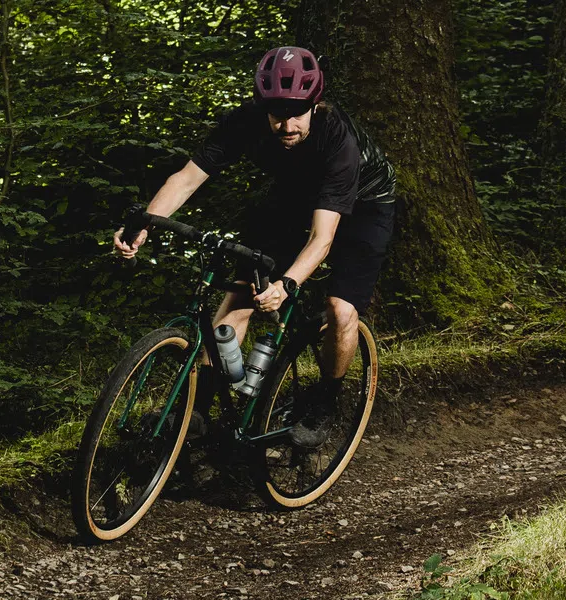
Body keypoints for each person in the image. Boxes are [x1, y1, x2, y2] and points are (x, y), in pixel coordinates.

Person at [113, 46, 396, 448]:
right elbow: (187, 178)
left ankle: (325, 402)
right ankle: (196, 411)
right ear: (261, 107)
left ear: (316, 104)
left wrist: (287, 284)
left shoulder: (339, 142)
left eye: (297, 113)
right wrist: (145, 223)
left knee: (340, 308)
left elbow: (323, 238)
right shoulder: (244, 122)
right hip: (297, 198)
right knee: (237, 297)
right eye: (277, 114)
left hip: (365, 207)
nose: (286, 125)